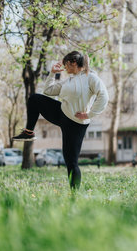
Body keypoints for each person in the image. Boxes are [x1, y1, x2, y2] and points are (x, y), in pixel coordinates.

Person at [12, 51, 109, 188]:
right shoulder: (68, 80)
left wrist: (89, 114)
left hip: (76, 124)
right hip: (61, 113)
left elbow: (104, 96)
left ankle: (74, 195)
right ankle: (29, 132)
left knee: (71, 162)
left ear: (73, 62)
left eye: (66, 64)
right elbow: (48, 91)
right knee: (34, 99)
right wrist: (52, 73)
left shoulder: (90, 77)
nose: (65, 68)